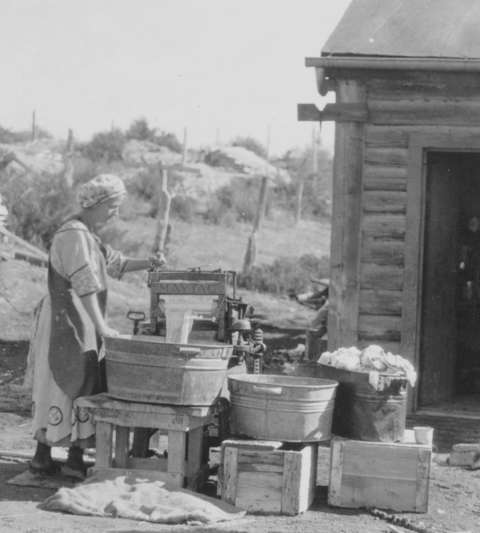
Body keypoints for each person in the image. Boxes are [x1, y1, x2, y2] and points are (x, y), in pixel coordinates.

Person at [29, 174, 165, 479]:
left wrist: (150, 263)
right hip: (65, 319)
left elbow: (115, 263)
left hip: (82, 318)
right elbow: (86, 284)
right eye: (113, 206)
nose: (115, 213)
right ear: (98, 203)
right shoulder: (73, 235)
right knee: (62, 380)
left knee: (84, 379)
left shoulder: (88, 235)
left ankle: (71, 458)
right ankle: (48, 457)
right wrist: (103, 327)